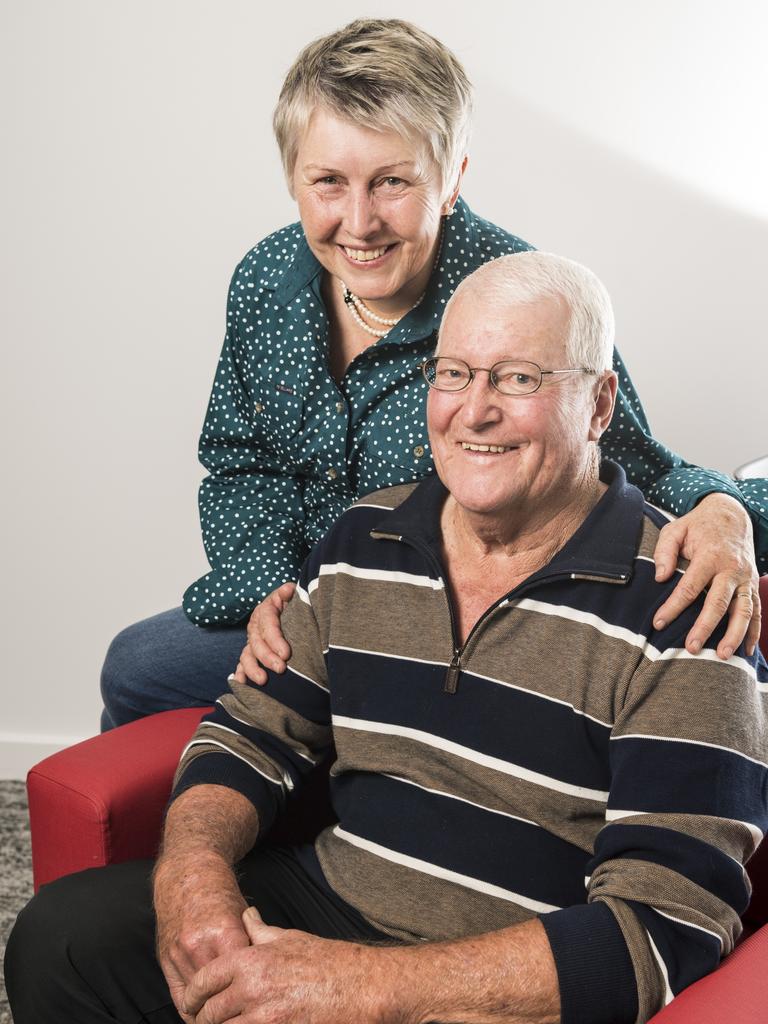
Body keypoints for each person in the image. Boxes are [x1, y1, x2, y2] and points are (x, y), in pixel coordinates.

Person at [8, 252, 767, 1024]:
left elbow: (663, 927)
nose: (474, 410)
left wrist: (363, 989)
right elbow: (251, 733)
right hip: (330, 902)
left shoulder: (690, 608)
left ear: (601, 404)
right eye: (454, 373)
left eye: (518, 379)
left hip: (501, 978)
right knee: (64, 939)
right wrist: (192, 880)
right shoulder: (365, 536)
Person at [100, 17, 766, 731]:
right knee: (136, 670)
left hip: (458, 625)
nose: (359, 222)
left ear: (451, 180)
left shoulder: (523, 298)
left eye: (392, 183)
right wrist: (276, 595)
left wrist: (727, 512)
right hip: (311, 602)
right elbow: (243, 459)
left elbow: (638, 466)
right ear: (293, 176)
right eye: (328, 182)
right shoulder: (266, 280)